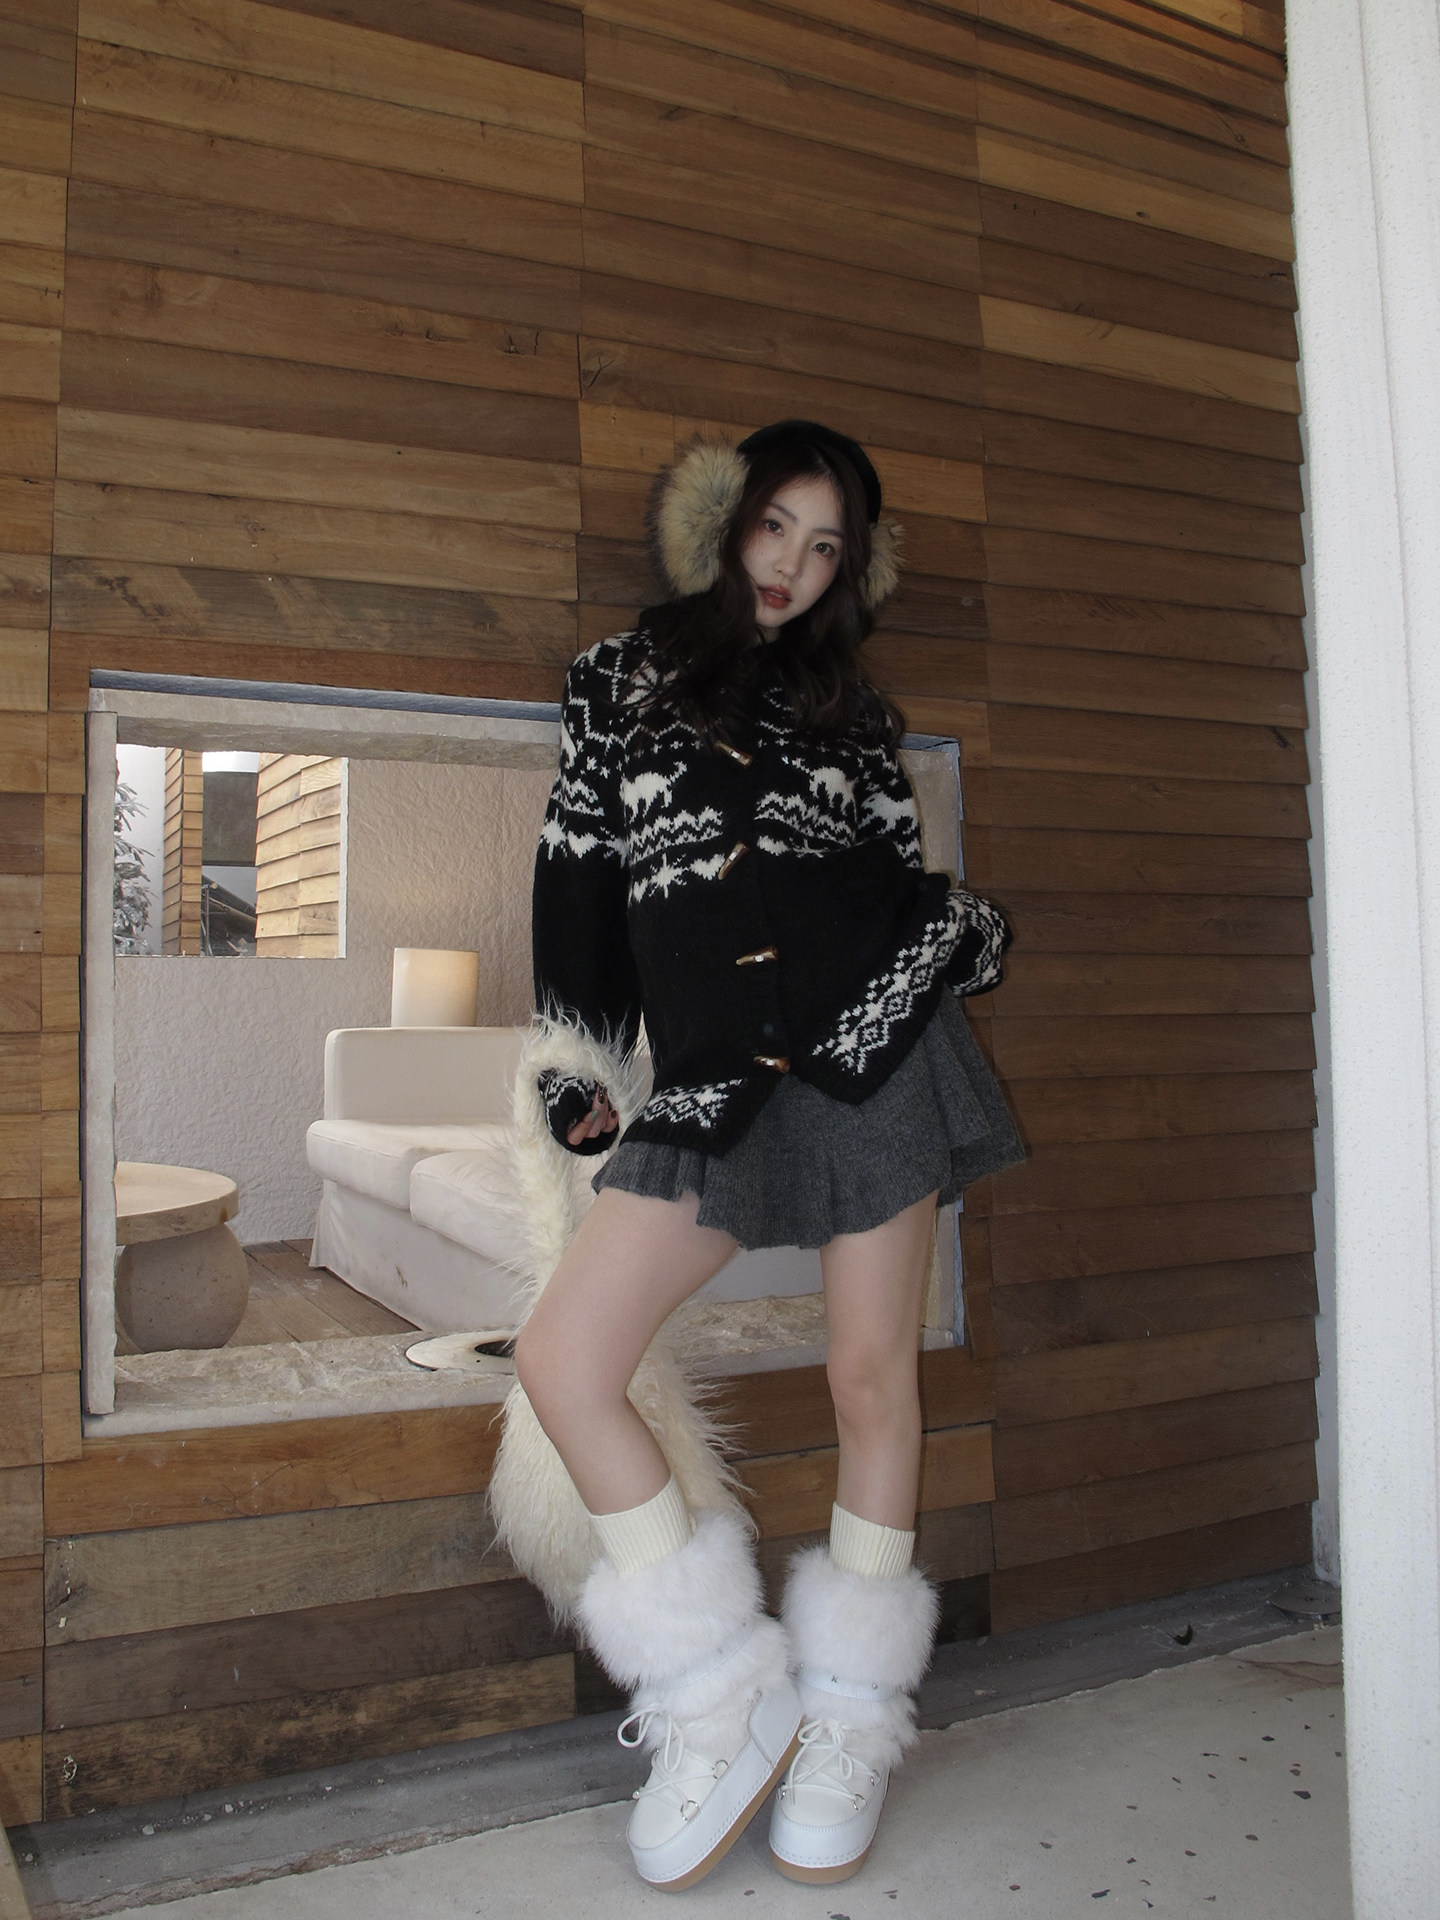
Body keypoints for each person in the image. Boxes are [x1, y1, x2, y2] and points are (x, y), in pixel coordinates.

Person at [512, 419, 1023, 1892]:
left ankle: (852, 1715)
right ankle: (717, 1692)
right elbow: (577, 883)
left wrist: (953, 932)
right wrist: (579, 1066)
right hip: (718, 1077)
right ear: (726, 519)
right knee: (565, 1361)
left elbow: (889, 877)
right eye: (776, 527)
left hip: (871, 1048)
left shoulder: (852, 714)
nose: (793, 566)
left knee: (872, 1377)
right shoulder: (618, 681)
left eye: (826, 547)